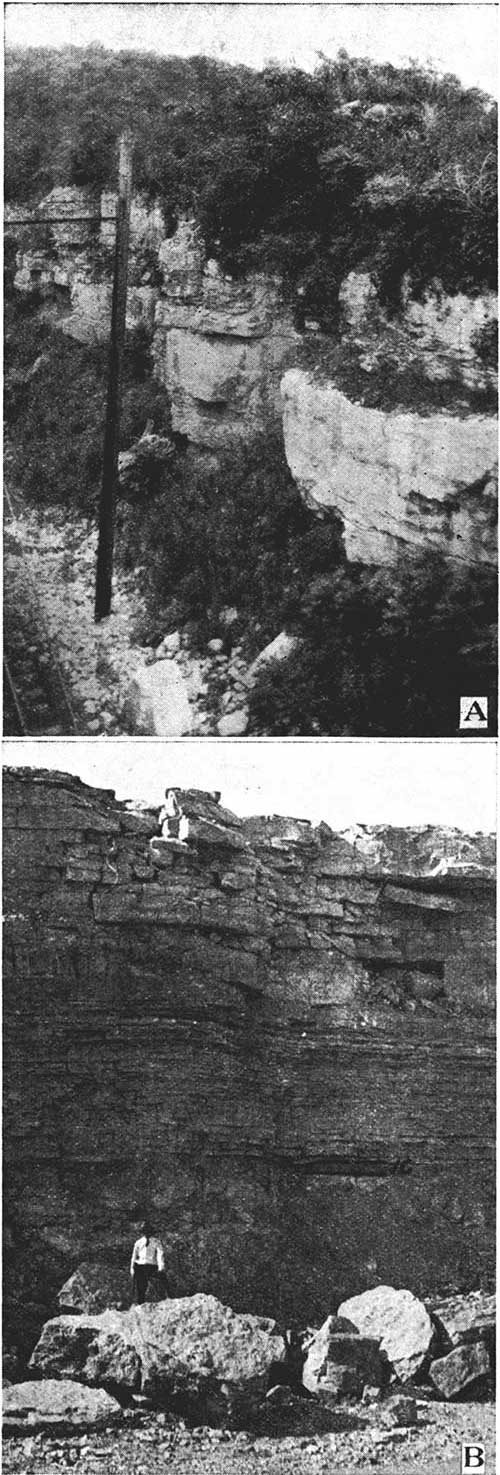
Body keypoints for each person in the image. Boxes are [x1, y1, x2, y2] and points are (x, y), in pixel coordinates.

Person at [130, 1220, 166, 1304]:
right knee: (140, 1286)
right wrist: (132, 1268)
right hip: (140, 1265)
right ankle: (140, 1304)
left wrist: (161, 1267)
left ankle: (166, 1299)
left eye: (148, 1231)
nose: (146, 1233)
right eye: (144, 1231)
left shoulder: (156, 1241)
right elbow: (134, 1256)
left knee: (161, 1282)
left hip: (152, 1265)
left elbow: (160, 1254)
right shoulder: (138, 1242)